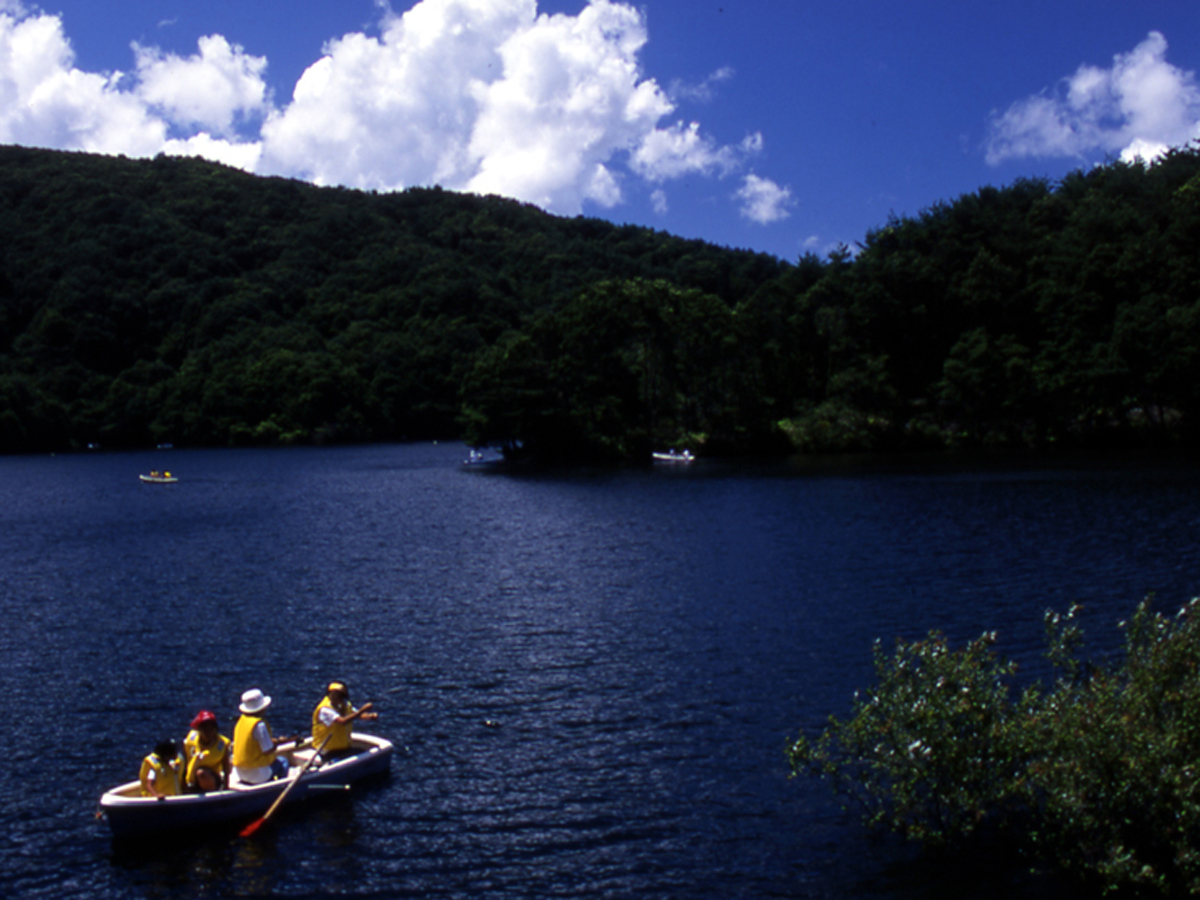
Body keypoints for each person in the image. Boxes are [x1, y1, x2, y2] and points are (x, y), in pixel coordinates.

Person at [231, 688, 294, 786]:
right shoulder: (259, 724)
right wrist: (278, 742)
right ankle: (278, 787)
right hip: (257, 774)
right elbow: (268, 750)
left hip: (240, 773)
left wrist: (274, 741)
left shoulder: (240, 721)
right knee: (283, 762)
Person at [312, 681, 378, 759]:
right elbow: (342, 721)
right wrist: (362, 710)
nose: (335, 697)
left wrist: (370, 716)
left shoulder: (344, 705)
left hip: (341, 748)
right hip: (326, 750)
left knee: (363, 752)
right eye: (333, 694)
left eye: (338, 695)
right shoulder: (325, 709)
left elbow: (356, 714)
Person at [182, 709, 232, 792]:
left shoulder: (223, 744)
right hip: (192, 777)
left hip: (211, 779)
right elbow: (184, 762)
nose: (208, 732)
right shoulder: (191, 740)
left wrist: (225, 788)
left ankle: (210, 793)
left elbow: (226, 768)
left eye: (211, 728)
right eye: (204, 729)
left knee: (202, 773)